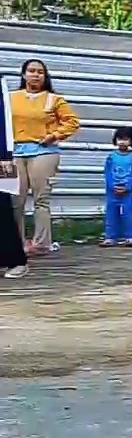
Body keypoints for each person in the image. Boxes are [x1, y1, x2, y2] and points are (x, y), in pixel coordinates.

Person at [10, 59, 79, 255]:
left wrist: (55, 135)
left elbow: (72, 122)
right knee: (14, 200)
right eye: (31, 71)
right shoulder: (10, 97)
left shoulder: (53, 99)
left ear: (45, 76)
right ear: (23, 74)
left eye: (40, 72)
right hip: (13, 152)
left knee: (41, 199)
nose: (35, 75)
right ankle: (15, 243)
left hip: (44, 152)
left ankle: (41, 244)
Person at [1, 75, 29, 279]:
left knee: (2, 206)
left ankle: (16, 260)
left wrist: (6, 155)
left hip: (1, 158)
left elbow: (4, 119)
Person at [101, 126, 132, 248]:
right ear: (115, 140)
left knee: (127, 214)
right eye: (120, 139)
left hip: (127, 193)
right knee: (111, 214)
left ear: (131, 141)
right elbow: (107, 173)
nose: (122, 142)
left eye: (126, 139)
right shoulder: (111, 158)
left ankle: (129, 237)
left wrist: (127, 187)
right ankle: (110, 237)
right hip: (112, 192)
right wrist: (112, 186)